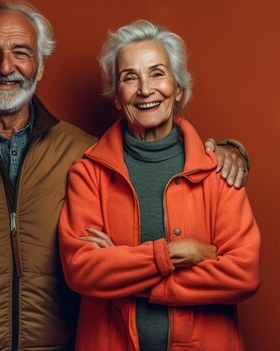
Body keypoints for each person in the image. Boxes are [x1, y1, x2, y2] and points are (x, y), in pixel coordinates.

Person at [0, 3, 249, 351]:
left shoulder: (84, 154)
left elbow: (156, 154)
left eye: (21, 52)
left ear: (39, 65)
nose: (6, 67)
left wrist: (230, 152)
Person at [58, 20, 260, 351]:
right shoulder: (88, 173)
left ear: (178, 88)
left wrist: (126, 273)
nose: (144, 89)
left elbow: (243, 274)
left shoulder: (217, 169)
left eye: (157, 73)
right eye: (129, 77)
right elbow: (82, 270)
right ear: (117, 98)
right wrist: (173, 253)